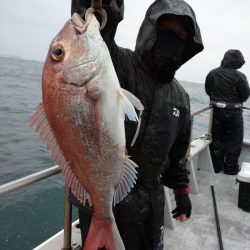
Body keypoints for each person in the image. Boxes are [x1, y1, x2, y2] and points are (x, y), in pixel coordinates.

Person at [70, 0, 204, 249]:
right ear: (150, 30)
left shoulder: (181, 98)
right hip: (101, 198)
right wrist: (98, 7)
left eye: (181, 36)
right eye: (165, 30)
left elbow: (178, 155)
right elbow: (94, 34)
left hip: (149, 204)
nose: (172, 40)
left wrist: (182, 192)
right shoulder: (116, 63)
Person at [205, 49, 250, 175]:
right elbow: (245, 96)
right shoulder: (240, 76)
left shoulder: (212, 73)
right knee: (235, 141)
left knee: (216, 139)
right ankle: (230, 169)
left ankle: (216, 166)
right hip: (234, 113)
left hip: (216, 113)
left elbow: (208, 90)